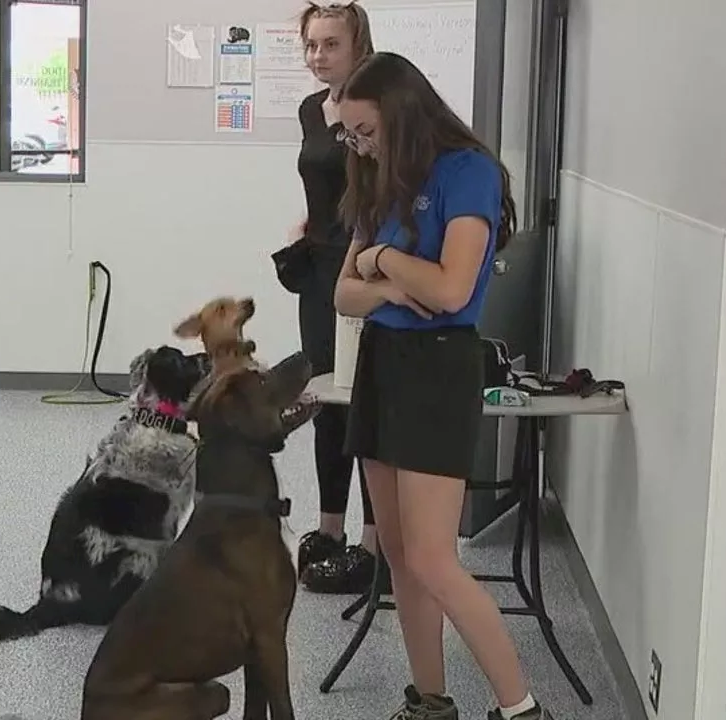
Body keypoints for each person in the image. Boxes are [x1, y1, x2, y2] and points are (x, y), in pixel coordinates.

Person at [333, 52, 553, 720]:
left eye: (365, 131)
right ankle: (430, 701)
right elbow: (343, 296)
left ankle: (520, 708)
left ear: (401, 116)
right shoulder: (379, 181)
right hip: (383, 364)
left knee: (434, 558)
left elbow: (453, 289)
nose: (357, 146)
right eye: (349, 134)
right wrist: (394, 282)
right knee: (399, 554)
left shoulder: (469, 174)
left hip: (438, 367)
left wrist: (383, 261)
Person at [288, 0, 378, 594]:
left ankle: (376, 545)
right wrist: (305, 225)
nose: (318, 56)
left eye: (330, 45)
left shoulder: (378, 110)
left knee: (366, 398)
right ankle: (329, 528)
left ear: (358, 47)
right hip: (320, 268)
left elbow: (381, 189)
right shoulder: (308, 110)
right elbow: (323, 183)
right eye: (311, 46)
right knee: (324, 395)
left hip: (365, 266)